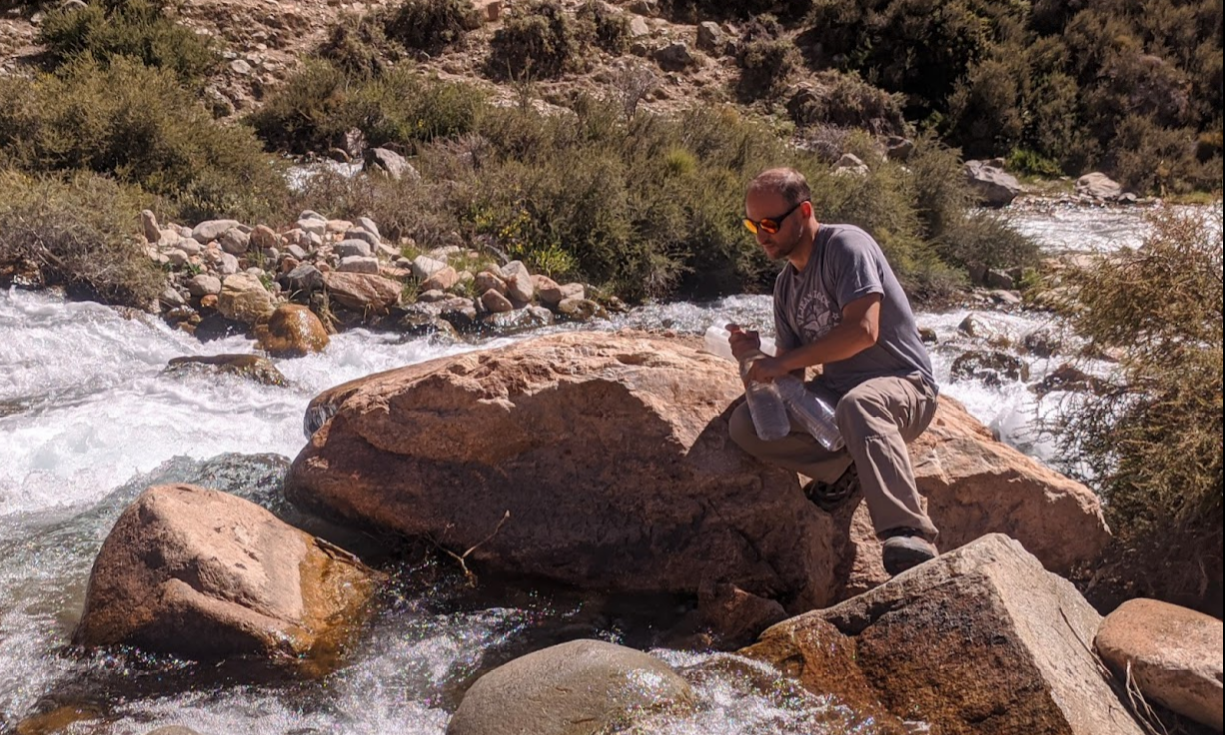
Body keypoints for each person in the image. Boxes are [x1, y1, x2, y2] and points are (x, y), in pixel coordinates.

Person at [727, 167, 940, 576]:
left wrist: (782, 362)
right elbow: (793, 378)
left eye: (769, 223)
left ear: (804, 211)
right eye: (752, 224)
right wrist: (753, 359)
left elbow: (863, 331)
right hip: (836, 398)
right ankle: (846, 469)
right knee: (744, 425)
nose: (760, 235)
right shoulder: (785, 287)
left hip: (904, 387)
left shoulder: (846, 246)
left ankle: (909, 533)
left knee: (862, 405)